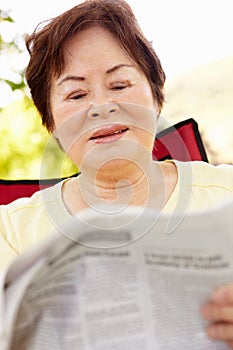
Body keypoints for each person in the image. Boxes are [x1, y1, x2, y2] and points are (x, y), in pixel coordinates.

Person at [0, 0, 233, 346]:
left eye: (120, 85)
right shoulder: (11, 230)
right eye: (76, 94)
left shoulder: (225, 193)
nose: (101, 107)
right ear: (51, 124)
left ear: (156, 98)